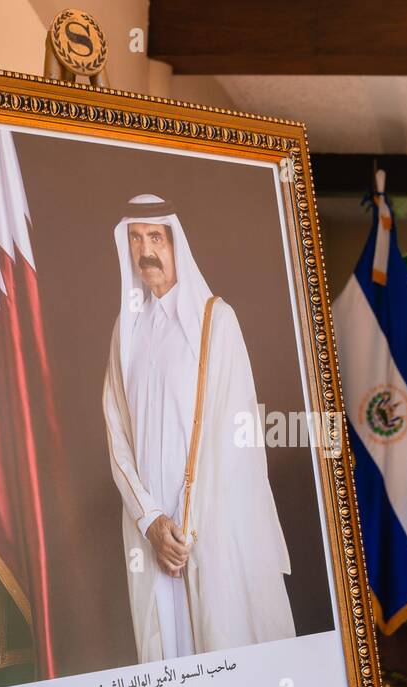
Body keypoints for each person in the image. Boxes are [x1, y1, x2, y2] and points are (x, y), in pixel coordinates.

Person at [101, 194, 295, 663]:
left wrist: (187, 527)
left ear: (174, 243)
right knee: (168, 661)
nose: (145, 249)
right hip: (152, 533)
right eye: (134, 238)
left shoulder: (217, 322)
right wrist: (150, 521)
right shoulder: (125, 331)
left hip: (208, 531)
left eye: (155, 237)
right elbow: (116, 434)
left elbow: (237, 441)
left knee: (227, 656)